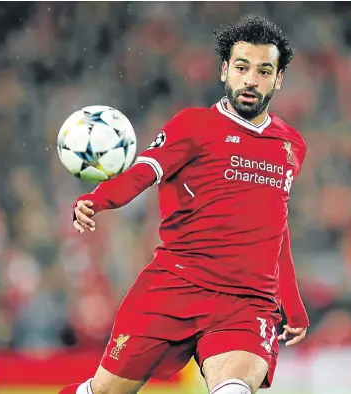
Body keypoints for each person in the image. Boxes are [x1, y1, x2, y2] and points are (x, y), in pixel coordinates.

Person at [61, 15, 309, 394]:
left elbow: (277, 226)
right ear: (225, 70)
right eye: (241, 67)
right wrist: (98, 199)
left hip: (248, 304)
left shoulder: (291, 145)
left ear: (278, 79)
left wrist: (292, 302)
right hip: (175, 286)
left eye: (263, 70)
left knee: (234, 388)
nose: (250, 80)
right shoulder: (193, 125)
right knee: (105, 391)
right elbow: (143, 171)